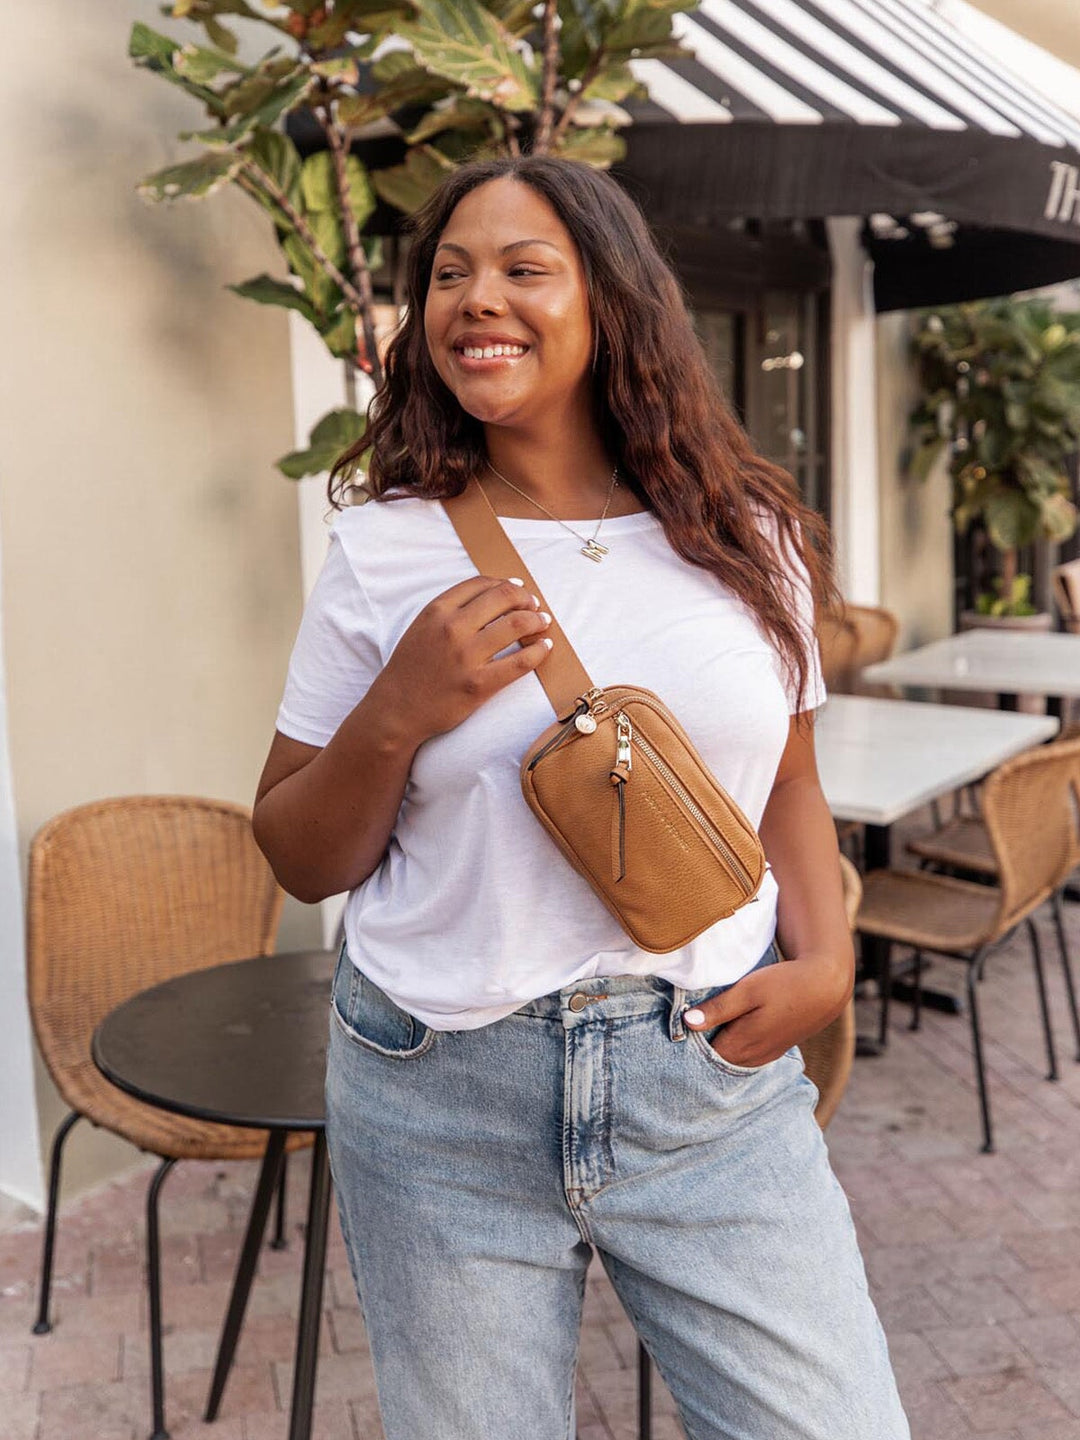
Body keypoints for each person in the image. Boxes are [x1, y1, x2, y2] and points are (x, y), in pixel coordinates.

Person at [253, 155, 909, 1440]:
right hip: (440, 1089)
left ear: (612, 299)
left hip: (704, 1080)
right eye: (449, 275)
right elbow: (297, 852)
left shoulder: (747, 535)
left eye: (522, 269)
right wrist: (398, 711)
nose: (475, 300)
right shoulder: (385, 546)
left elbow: (787, 782)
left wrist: (830, 962)